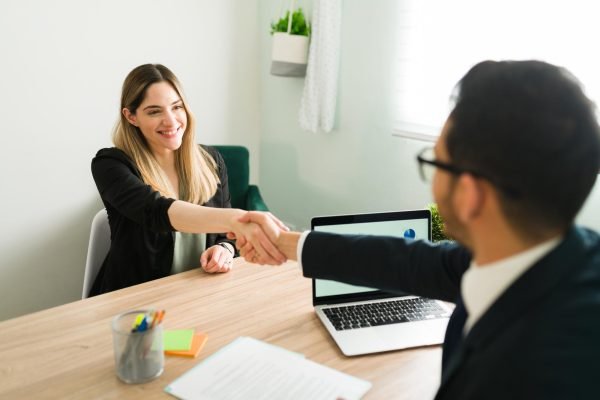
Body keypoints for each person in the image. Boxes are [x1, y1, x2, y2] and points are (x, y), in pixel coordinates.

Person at [235, 60, 600, 399]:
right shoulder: (558, 253)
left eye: (437, 162)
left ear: (471, 194)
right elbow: (412, 262)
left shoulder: (526, 374)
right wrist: (286, 243)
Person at [90, 63, 286, 296]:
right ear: (131, 116)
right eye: (154, 111)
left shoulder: (211, 161)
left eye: (177, 107)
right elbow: (156, 211)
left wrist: (223, 248)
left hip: (200, 294)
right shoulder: (110, 165)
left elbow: (225, 236)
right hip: (136, 302)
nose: (171, 121)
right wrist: (236, 219)